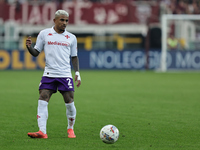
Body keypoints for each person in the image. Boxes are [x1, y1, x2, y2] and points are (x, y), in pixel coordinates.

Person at [26, 10, 81, 139]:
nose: (65, 23)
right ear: (54, 20)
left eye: (66, 20)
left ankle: (70, 129)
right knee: (43, 97)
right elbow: (36, 52)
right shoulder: (44, 34)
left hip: (65, 74)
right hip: (49, 73)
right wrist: (29, 47)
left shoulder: (71, 37)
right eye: (62, 20)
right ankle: (42, 131)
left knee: (69, 101)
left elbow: (74, 57)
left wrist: (77, 72)